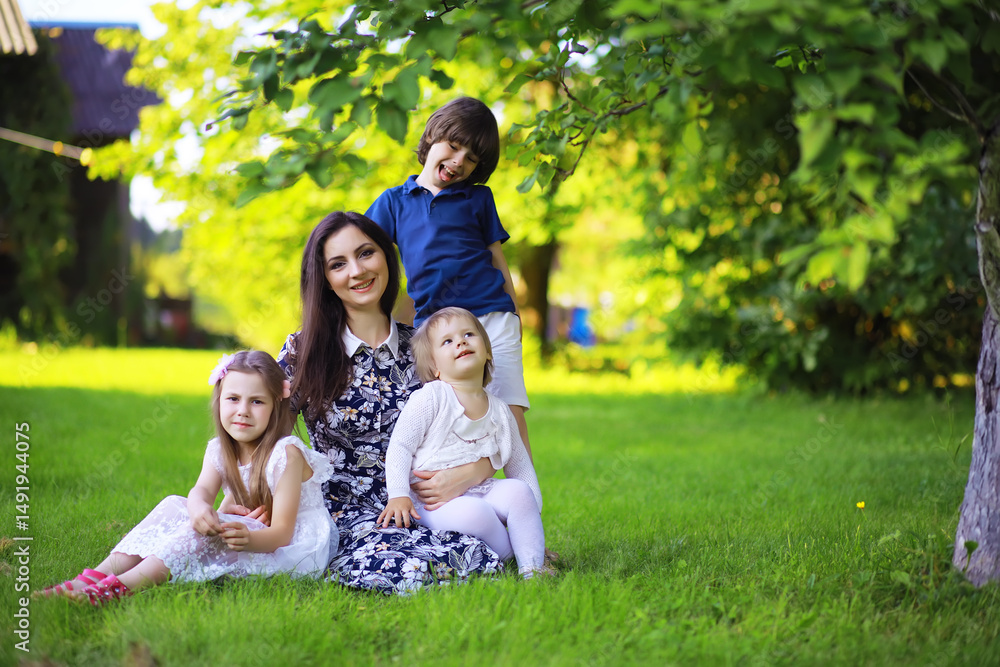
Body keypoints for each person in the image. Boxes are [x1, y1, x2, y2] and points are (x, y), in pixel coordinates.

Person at [276, 211, 506, 594]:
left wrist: (473, 472)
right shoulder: (305, 350)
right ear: (325, 279)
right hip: (344, 510)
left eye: (366, 253)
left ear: (386, 256)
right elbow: (266, 434)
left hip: (427, 503)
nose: (357, 271)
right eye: (338, 264)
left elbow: (484, 426)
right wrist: (246, 494)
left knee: (476, 549)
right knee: (416, 568)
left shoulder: (426, 348)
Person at [35, 351, 337, 605]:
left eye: (257, 402)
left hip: (290, 547)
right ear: (219, 401)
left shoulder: (286, 454)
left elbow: (282, 534)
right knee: (175, 505)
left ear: (275, 406)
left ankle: (117, 588)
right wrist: (200, 508)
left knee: (202, 533)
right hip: (253, 530)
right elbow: (201, 490)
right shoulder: (220, 449)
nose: (243, 411)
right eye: (233, 398)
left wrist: (249, 538)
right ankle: (92, 577)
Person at [365, 96, 533, 457]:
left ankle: (527, 492)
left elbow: (496, 256)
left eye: (471, 158)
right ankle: (465, 488)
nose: (459, 161)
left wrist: (515, 312)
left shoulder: (478, 199)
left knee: (509, 411)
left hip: (492, 316)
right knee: (442, 416)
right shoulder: (393, 202)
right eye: (454, 146)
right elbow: (363, 249)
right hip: (435, 327)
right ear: (432, 137)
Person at [376, 307, 549, 578]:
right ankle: (512, 556)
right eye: (447, 341)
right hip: (431, 503)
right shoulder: (431, 398)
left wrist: (530, 514)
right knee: (475, 513)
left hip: (479, 489)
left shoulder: (500, 411)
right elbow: (400, 447)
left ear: (488, 351)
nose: (460, 342)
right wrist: (398, 494)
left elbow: (520, 465)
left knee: (519, 492)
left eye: (469, 334)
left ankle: (533, 567)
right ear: (435, 367)